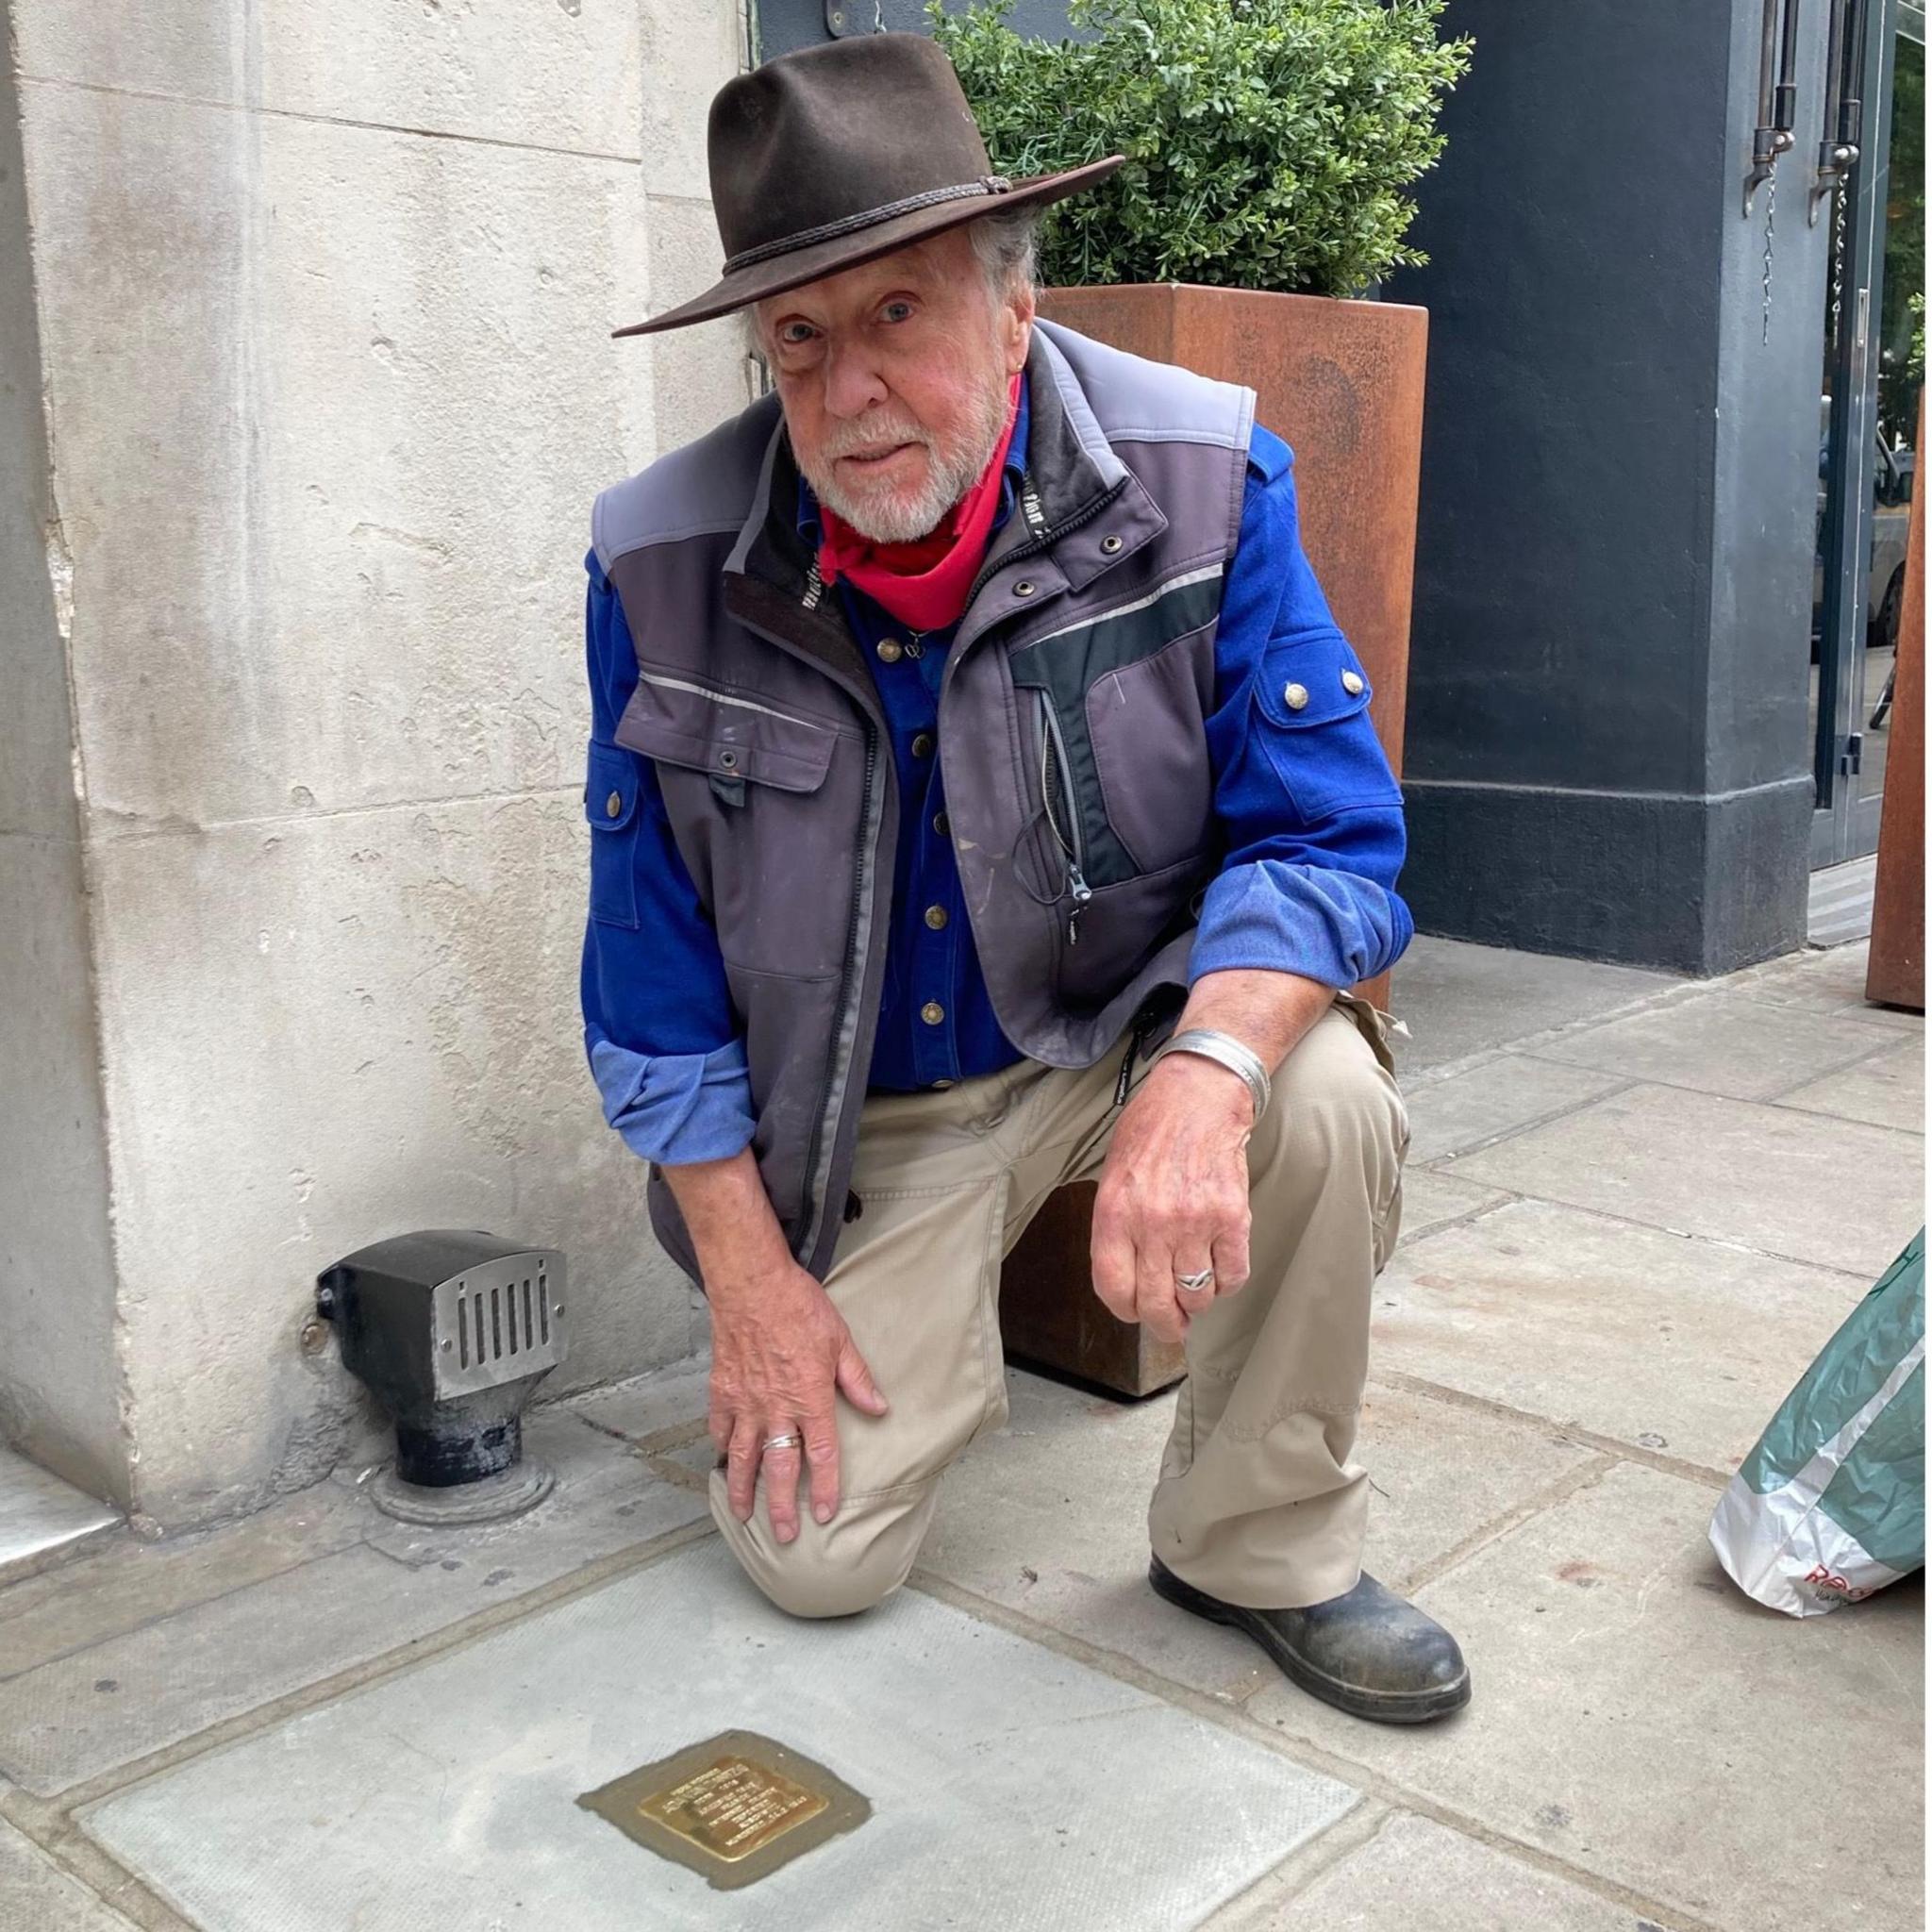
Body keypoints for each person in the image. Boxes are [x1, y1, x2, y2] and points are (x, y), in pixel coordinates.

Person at [580, 32, 1469, 1724]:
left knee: (1325, 1100)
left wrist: (1209, 1076)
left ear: (1014, 305)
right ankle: (928, 1338)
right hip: (868, 1115)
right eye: (801, 336)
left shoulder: (1205, 477)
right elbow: (650, 970)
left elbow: (1330, 839)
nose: (848, 391)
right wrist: (758, 1287)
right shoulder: (659, 565)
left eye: (898, 314)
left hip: (1123, 1022)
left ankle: (1254, 1539)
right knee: (813, 1566)